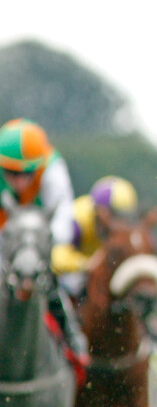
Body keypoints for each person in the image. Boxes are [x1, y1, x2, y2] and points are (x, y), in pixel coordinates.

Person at [0, 118, 89, 361]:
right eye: (11, 173)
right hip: (5, 241)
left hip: (40, 242)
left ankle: (72, 337)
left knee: (53, 276)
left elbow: (64, 222)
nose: (19, 181)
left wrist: (35, 243)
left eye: (26, 173)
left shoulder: (53, 168)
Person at [52, 175, 140, 297]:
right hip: (72, 279)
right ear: (99, 210)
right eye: (116, 215)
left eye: (125, 217)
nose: (121, 224)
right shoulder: (77, 217)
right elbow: (56, 259)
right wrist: (88, 264)